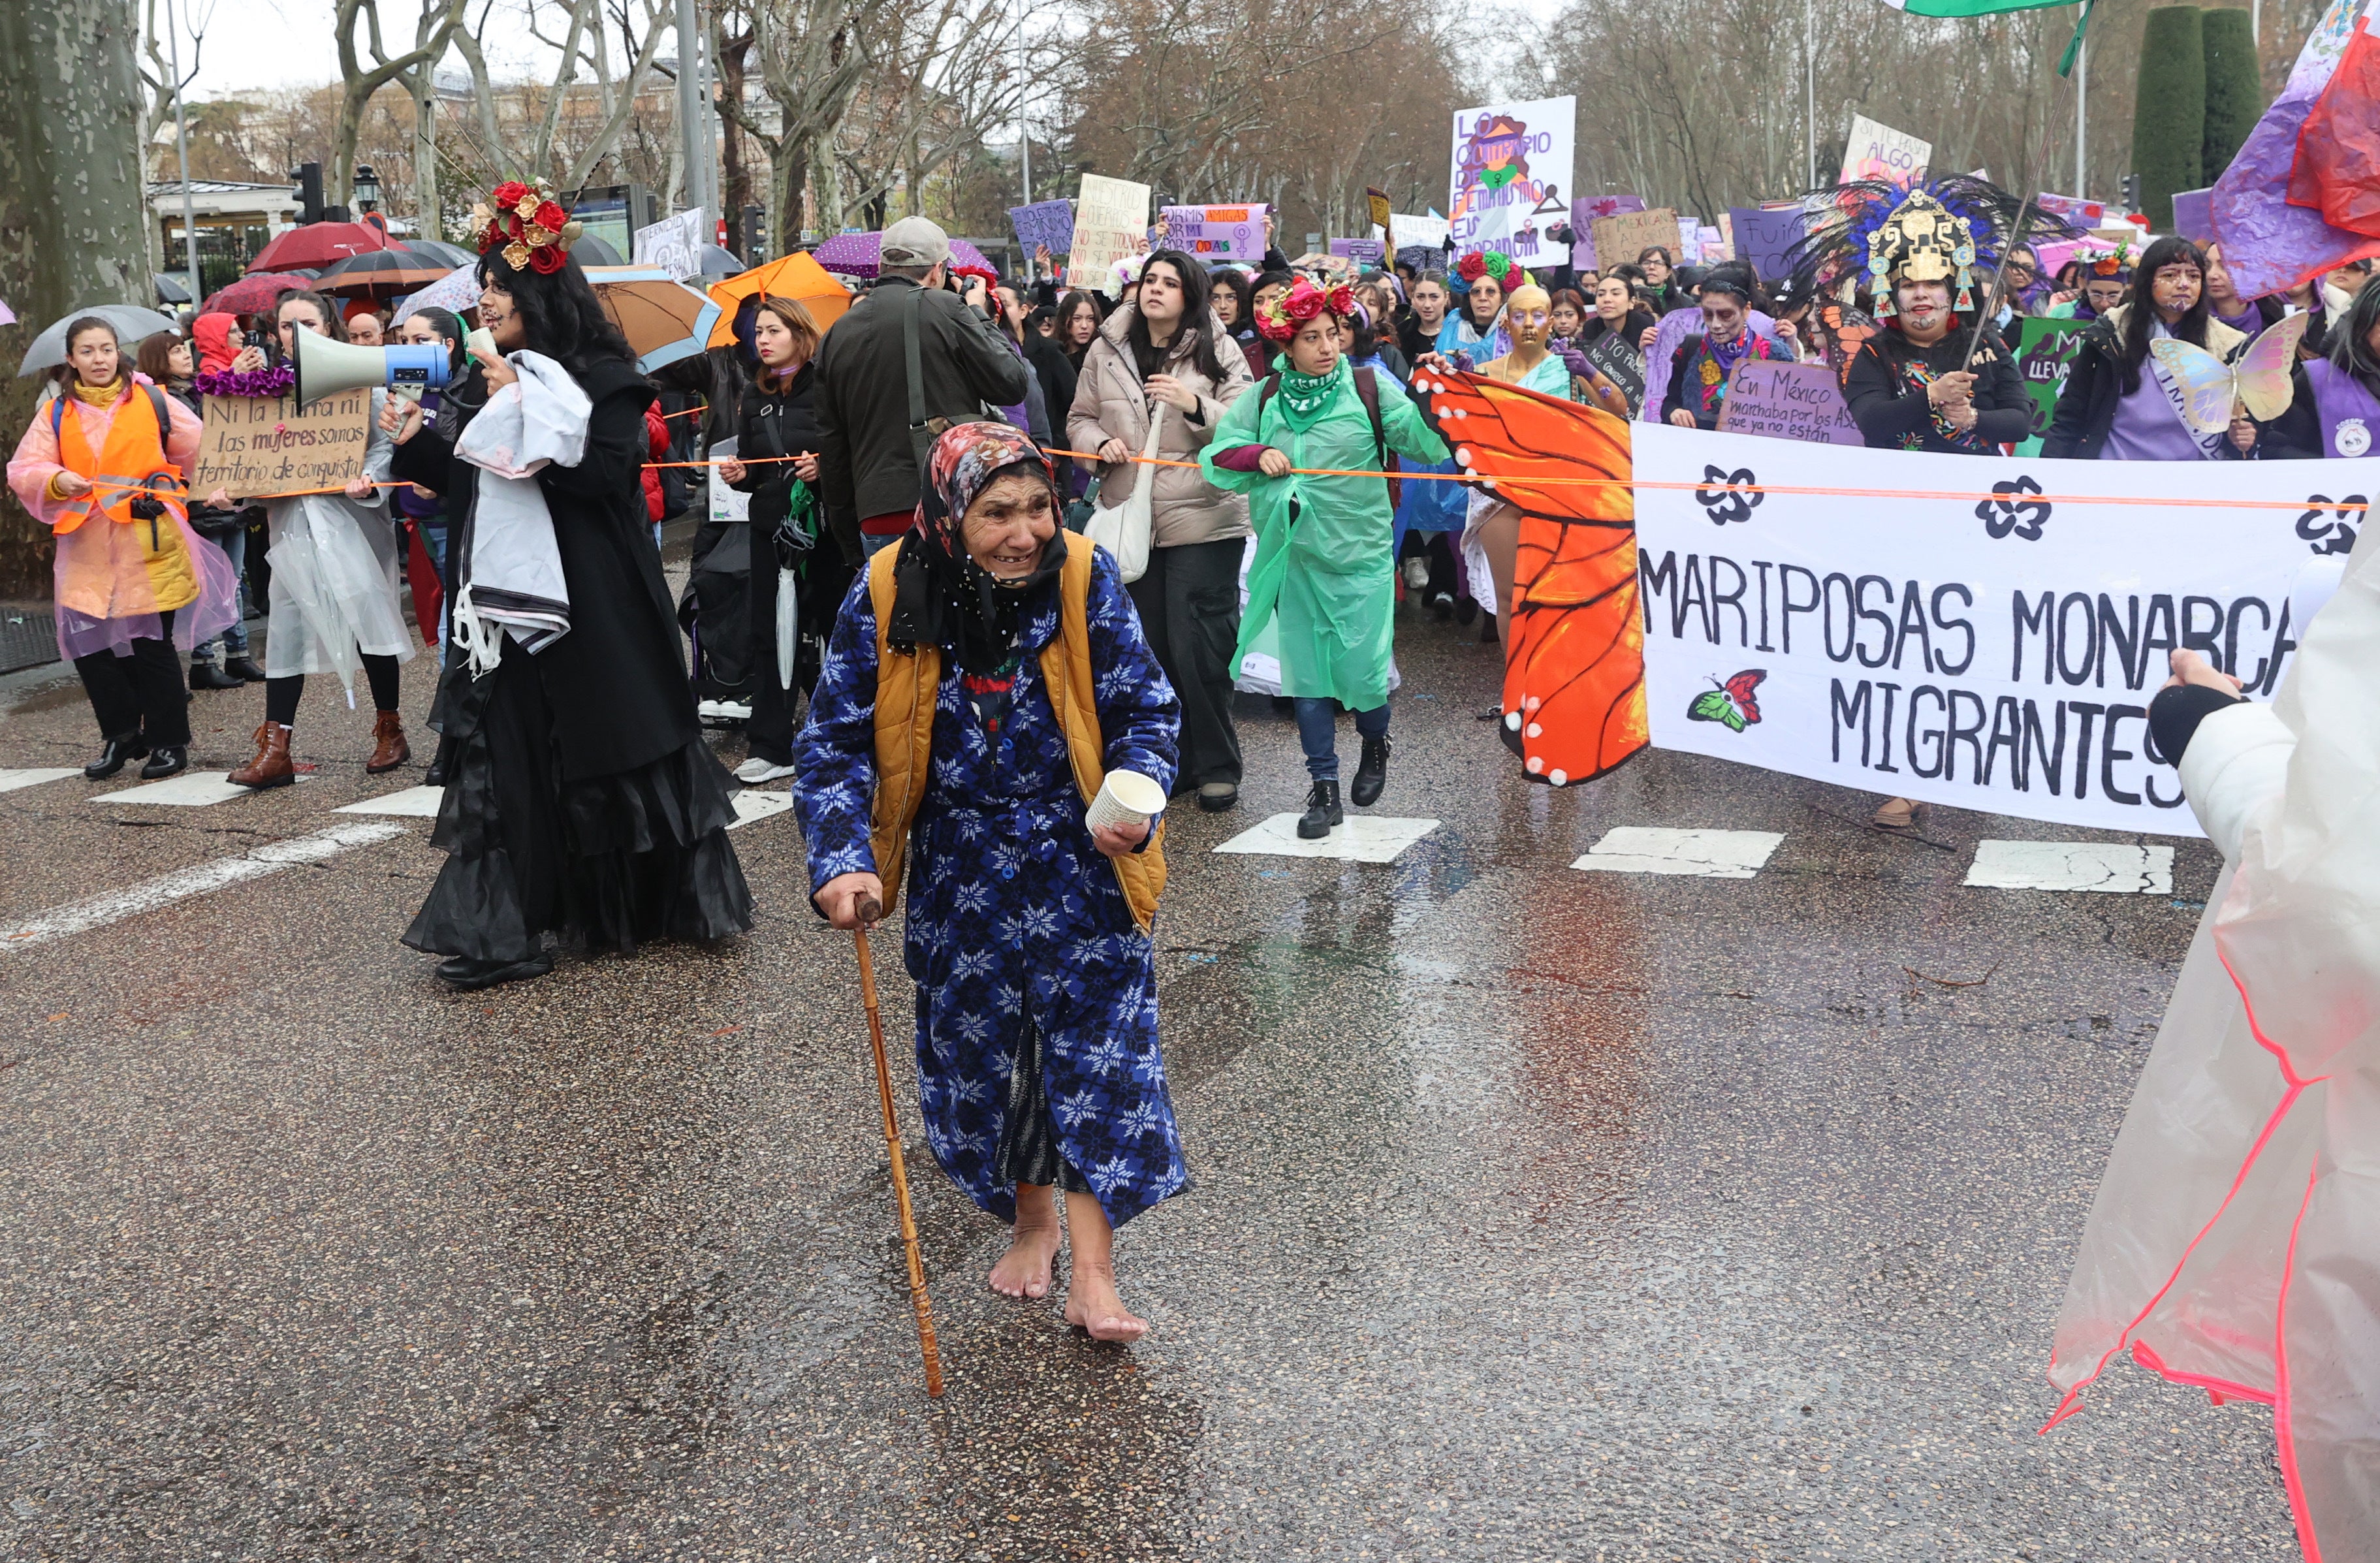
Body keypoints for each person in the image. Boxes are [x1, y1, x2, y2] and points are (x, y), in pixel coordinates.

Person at [795, 422, 1186, 1344]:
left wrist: (1138, 793)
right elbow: (834, 741)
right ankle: (1031, 1222)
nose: (1025, 533)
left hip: (1081, 859)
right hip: (957, 867)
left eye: (1040, 507)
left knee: (1098, 1061)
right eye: (996, 512)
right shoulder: (887, 588)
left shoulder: (1084, 576)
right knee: (988, 1062)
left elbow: (1146, 709)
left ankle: (1095, 1278)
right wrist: (843, 858)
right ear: (947, 515)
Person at [381, 179, 754, 988]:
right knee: (510, 749)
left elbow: (602, 477)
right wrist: (417, 440)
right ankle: (510, 928)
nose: (485, 300)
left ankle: (640, 905)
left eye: (499, 286)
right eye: (482, 285)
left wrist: (523, 405)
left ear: (541, 292)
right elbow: (474, 477)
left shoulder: (606, 376)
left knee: (609, 744)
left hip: (594, 598)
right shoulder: (493, 373)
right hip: (511, 598)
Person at [1799, 175, 2061, 829]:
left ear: (1954, 289)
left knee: (1972, 641)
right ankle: (1906, 773)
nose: (1921, 294)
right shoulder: (1873, 353)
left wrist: (1974, 419)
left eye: (1933, 284)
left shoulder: (1987, 346)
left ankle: (1970, 754)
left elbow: (2021, 419)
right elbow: (1871, 421)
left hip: (1976, 521)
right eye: (1909, 284)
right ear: (1892, 292)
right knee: (1905, 646)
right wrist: (1929, 398)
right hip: (1897, 522)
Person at [1201, 279, 1452, 838]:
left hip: (1361, 557)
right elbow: (1217, 456)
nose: (1326, 347)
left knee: (1363, 673)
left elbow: (1424, 442)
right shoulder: (1264, 396)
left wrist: (1433, 396)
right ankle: (1324, 788)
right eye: (1311, 338)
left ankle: (1375, 740)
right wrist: (1257, 453)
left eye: (1332, 334)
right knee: (1307, 679)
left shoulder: (1368, 386)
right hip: (1296, 560)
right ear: (1287, 346)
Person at [8, 317, 239, 778]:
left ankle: (168, 741)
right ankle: (121, 733)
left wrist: (201, 488)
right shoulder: (56, 413)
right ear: (70, 360)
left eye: (106, 349)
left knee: (151, 646)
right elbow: (25, 467)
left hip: (148, 541)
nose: (99, 359)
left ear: (119, 352)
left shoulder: (153, 400)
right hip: (86, 545)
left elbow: (204, 452)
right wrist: (56, 479)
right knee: (89, 647)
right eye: (88, 351)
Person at [204, 290, 415, 789]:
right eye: (285, 325)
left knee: (368, 617)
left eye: (308, 324)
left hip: (352, 522)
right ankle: (276, 747)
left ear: (328, 327)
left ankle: (390, 728)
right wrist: (232, 490)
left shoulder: (359, 383)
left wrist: (370, 479)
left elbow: (384, 445)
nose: (296, 334)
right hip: (293, 525)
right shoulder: (264, 392)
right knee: (287, 628)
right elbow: (249, 456)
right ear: (274, 333)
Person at [1069, 249, 1254, 813]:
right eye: (1150, 279)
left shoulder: (1218, 347)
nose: (1155, 289)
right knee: (1149, 650)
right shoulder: (1106, 346)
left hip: (1204, 519)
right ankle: (1168, 762)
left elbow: (1246, 427)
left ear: (1188, 295)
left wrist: (1194, 404)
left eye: (1169, 283)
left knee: (1200, 647)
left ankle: (1217, 766)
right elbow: (1079, 418)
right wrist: (1097, 446)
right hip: (1131, 520)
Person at [814, 215, 1032, 564]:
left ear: (882, 266)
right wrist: (977, 311)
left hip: (876, 510)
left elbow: (832, 446)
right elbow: (1012, 383)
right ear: (937, 270)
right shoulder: (948, 308)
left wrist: (848, 536)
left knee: (893, 601)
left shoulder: (837, 333)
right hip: (948, 504)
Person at [715, 294, 840, 785]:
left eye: (773, 331)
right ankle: (770, 745)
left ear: (800, 334)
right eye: (758, 332)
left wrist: (823, 469)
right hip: (771, 530)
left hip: (825, 531)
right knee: (770, 632)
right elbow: (754, 467)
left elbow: (849, 453)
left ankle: (841, 736)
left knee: (833, 627)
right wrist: (740, 475)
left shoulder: (829, 386)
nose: (762, 340)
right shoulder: (754, 394)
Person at [2043, 237, 2248, 462]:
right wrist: (2050, 470)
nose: (2184, 284)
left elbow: (2244, 421)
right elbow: (2071, 414)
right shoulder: (2109, 334)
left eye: (2193, 276)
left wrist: (2244, 438)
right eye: (2170, 275)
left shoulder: (2227, 344)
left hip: (2193, 474)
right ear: (2147, 281)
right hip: (2115, 470)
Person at [1658, 267, 1793, 429]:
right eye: (1708, 314)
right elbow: (1670, 402)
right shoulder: (1691, 349)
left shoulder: (1773, 354)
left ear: (1746, 310)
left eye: (1726, 315)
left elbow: (1789, 416)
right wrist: (1674, 412)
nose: (1715, 324)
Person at [1402, 270, 1452, 363]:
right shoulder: (1400, 333)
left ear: (1446, 297)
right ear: (1413, 298)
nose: (1427, 305)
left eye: (1434, 297)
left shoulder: (1461, 329)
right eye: (1420, 297)